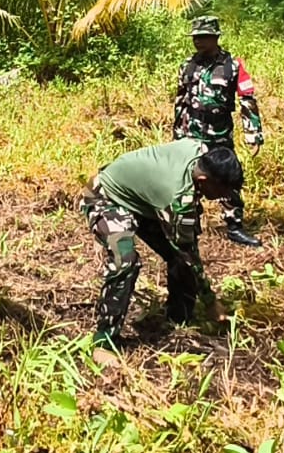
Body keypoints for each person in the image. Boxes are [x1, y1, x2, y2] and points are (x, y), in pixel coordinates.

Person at [82, 140, 242, 350]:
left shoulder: (199, 150)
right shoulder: (175, 196)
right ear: (203, 180)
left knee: (180, 257)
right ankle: (104, 341)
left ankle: (180, 319)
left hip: (143, 201)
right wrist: (211, 301)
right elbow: (186, 251)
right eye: (223, 191)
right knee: (126, 262)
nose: (225, 196)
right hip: (106, 198)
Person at [173, 16, 264, 247]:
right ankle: (190, 227)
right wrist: (177, 135)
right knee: (189, 179)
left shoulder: (232, 66)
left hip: (219, 135)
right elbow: (181, 100)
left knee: (227, 180)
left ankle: (234, 226)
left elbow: (247, 100)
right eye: (195, 37)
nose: (198, 42)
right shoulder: (188, 65)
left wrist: (252, 134)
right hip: (190, 135)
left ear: (215, 37)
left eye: (203, 37)